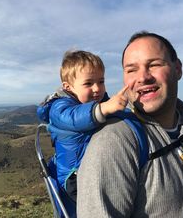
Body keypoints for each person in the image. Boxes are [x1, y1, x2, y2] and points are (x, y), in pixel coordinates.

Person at [77, 31, 183, 217]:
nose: (143, 77)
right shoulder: (113, 141)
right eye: (131, 70)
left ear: (178, 69)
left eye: (154, 64)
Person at [37, 50, 130, 203]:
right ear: (68, 87)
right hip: (74, 176)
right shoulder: (60, 107)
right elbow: (74, 117)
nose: (97, 88)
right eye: (88, 83)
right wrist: (105, 108)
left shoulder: (98, 103)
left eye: (101, 81)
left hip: (93, 169)